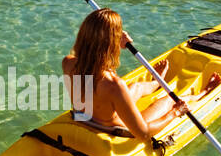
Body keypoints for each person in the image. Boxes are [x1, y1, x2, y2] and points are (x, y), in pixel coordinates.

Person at [62, 8, 189, 140]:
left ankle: (156, 82)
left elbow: (95, 73)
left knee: (136, 87)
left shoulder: (67, 63)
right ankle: (205, 92)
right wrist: (176, 112)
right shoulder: (114, 86)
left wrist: (116, 42)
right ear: (109, 43)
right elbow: (143, 133)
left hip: (85, 117)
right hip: (112, 127)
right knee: (170, 100)